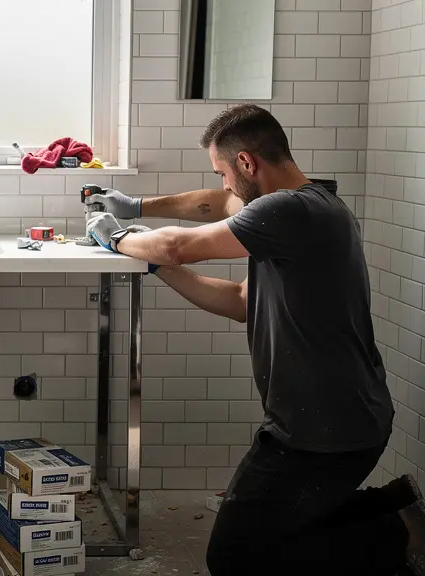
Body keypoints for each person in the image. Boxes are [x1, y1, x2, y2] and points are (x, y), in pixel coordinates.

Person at [85, 103, 425, 576]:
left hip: (323, 431)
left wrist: (118, 238)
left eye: (223, 171)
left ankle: (395, 534)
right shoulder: (312, 203)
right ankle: (392, 515)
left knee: (234, 555)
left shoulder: (290, 212)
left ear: (247, 163)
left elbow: (177, 243)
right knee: (275, 533)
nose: (223, 183)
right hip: (340, 418)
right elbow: (241, 300)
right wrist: (154, 247)